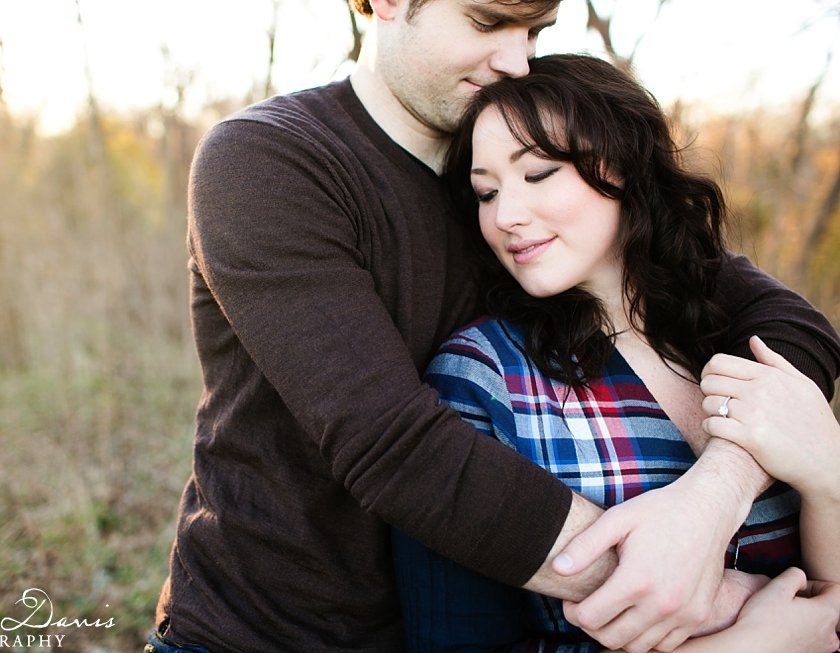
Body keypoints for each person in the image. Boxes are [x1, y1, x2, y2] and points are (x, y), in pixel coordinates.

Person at [146, 2, 840, 652]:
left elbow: (787, 323)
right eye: (488, 21)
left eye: (535, 31)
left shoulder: (525, 168)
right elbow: (396, 448)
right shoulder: (271, 162)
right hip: (270, 632)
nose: (516, 60)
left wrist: (713, 497)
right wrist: (715, 604)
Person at [392, 53, 840, 653]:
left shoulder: (728, 337)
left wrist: (828, 477)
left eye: (539, 174)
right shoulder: (481, 377)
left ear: (623, 163)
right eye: (485, 192)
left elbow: (827, 603)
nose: (506, 216)